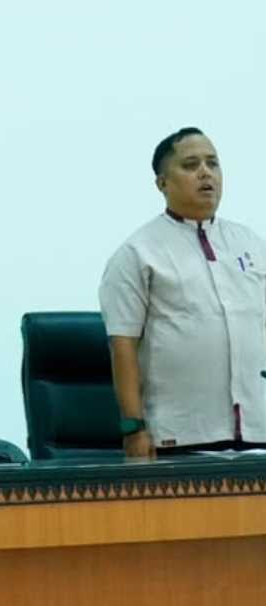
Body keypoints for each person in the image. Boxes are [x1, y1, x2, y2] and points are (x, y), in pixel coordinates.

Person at [99, 127, 266, 458]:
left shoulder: (250, 244)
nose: (206, 173)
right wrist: (133, 428)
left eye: (212, 163)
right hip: (181, 436)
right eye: (191, 165)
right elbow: (123, 345)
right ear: (162, 183)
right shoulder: (138, 252)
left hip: (257, 430)